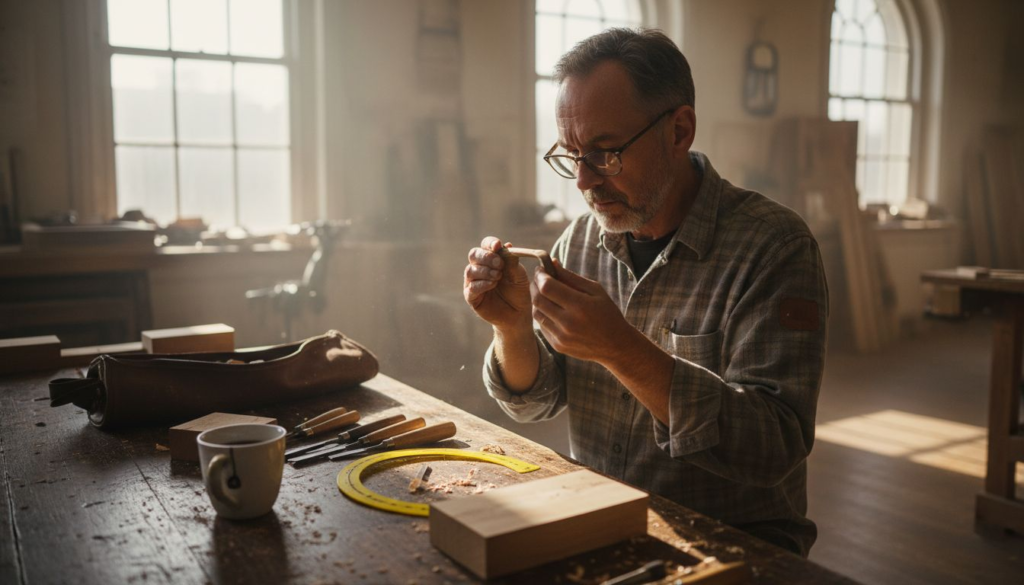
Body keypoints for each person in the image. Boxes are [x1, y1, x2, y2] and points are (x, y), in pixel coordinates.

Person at [462, 28, 828, 557]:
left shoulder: (774, 247)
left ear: (680, 131)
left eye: (606, 153)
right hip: (602, 520)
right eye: (571, 155)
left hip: (733, 545)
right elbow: (536, 401)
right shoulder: (581, 240)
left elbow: (774, 447)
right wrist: (511, 327)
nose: (585, 181)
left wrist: (621, 349)